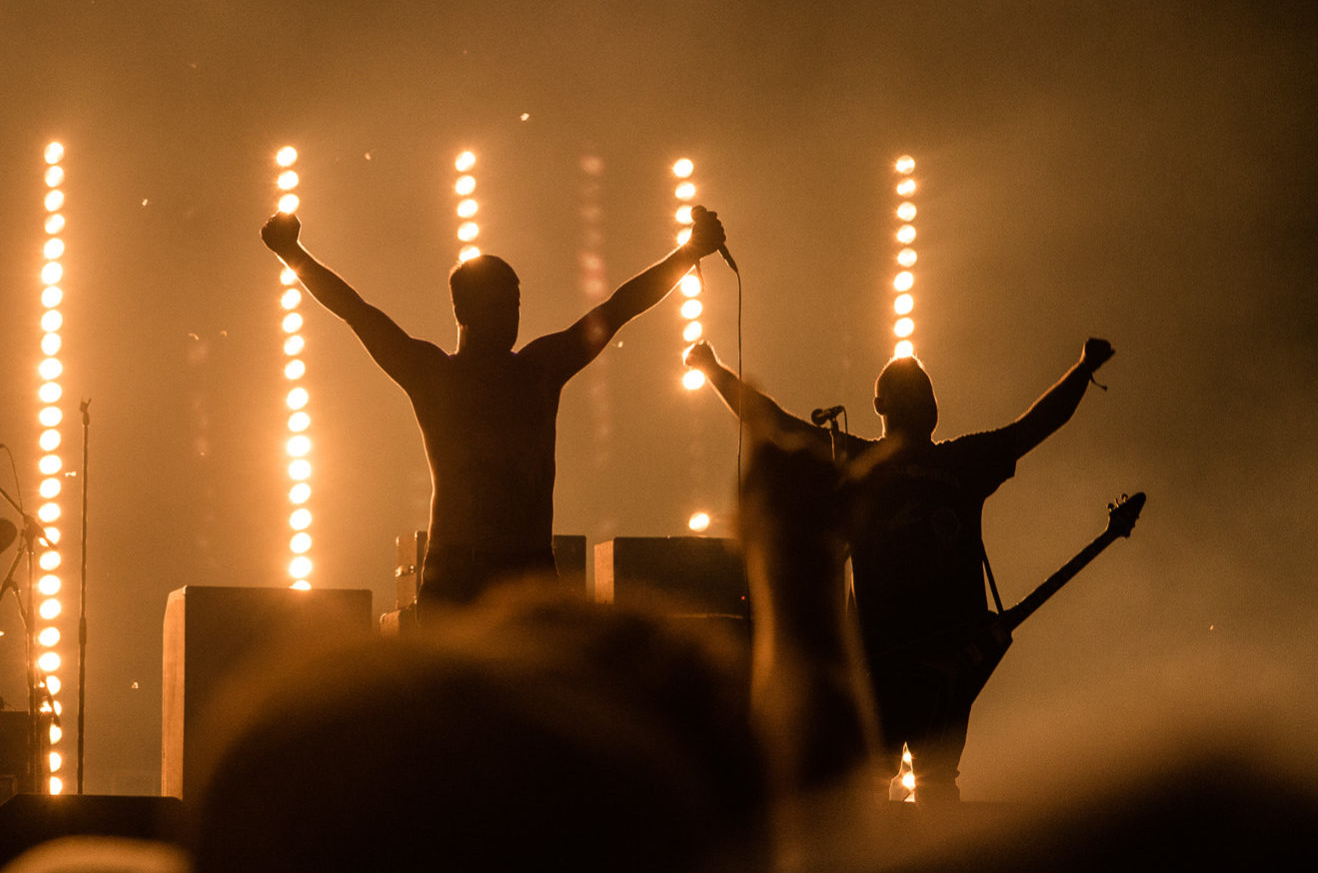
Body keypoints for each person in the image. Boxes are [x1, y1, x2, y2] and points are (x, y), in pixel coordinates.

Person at [685, 338, 1115, 801]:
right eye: (913, 391)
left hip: (930, 661)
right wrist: (714, 371)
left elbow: (1036, 425)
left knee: (908, 779)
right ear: (880, 405)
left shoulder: (941, 461)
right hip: (899, 662)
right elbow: (775, 423)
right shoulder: (916, 462)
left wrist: (1083, 370)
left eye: (925, 391)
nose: (922, 399)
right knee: (902, 780)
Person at [261, 205, 729, 607]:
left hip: (527, 573)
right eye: (498, 305)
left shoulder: (537, 369)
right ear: (462, 312)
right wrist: (291, 253)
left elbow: (618, 308)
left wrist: (689, 252)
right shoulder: (437, 375)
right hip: (457, 575)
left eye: (514, 303)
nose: (511, 315)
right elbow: (355, 311)